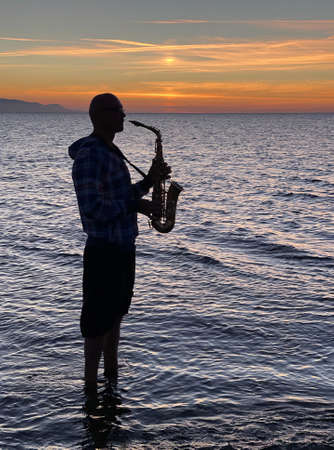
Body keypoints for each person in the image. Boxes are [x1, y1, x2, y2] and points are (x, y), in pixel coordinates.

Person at [69, 93, 169, 395]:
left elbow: (120, 194)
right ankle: (90, 390)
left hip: (123, 248)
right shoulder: (91, 155)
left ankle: (111, 381)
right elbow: (93, 208)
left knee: (115, 314)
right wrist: (135, 206)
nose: (124, 115)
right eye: (119, 110)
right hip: (104, 251)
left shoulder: (110, 150)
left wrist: (149, 182)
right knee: (97, 322)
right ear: (100, 115)